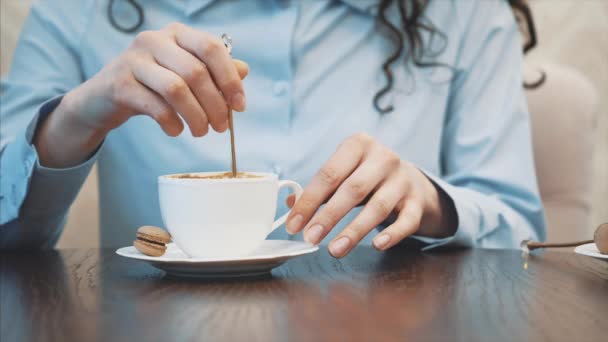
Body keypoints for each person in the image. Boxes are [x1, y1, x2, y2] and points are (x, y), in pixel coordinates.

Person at [0, 0, 545, 256]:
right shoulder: (75, 11)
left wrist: (434, 203)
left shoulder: (466, 12)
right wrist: (72, 119)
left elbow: (520, 230)